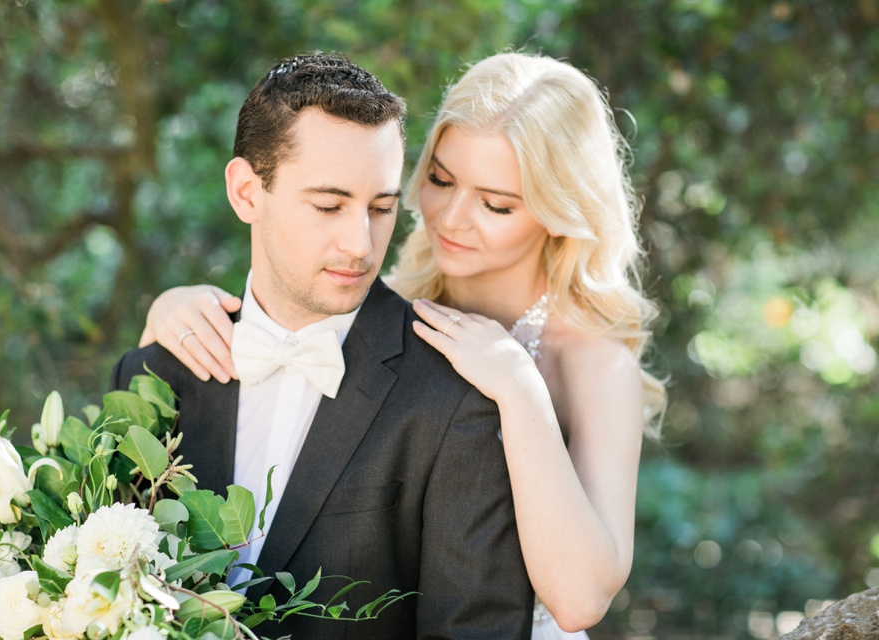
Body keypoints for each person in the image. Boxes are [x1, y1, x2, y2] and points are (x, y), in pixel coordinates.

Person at [140, 52, 666, 639]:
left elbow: (581, 598)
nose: (450, 217)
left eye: (496, 203)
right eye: (440, 179)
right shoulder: (376, 298)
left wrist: (521, 390)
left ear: (559, 212)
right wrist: (167, 313)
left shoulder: (593, 363)